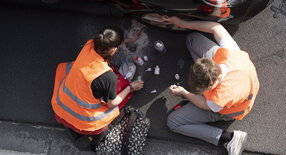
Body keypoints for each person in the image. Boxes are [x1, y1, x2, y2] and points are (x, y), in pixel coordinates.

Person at [164, 17, 259, 155]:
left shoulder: (220, 96)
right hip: (244, 76)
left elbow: (204, 104)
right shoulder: (229, 52)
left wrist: (184, 93)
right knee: (192, 39)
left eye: (203, 90)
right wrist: (183, 22)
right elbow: (216, 27)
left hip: (235, 108)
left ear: (212, 86)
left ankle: (229, 139)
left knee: (173, 122)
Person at [51, 26, 144, 150]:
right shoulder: (107, 76)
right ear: (113, 51)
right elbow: (112, 103)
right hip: (84, 122)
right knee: (114, 107)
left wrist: (127, 40)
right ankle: (93, 140)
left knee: (65, 70)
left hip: (60, 107)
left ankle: (72, 128)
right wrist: (131, 87)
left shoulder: (90, 44)